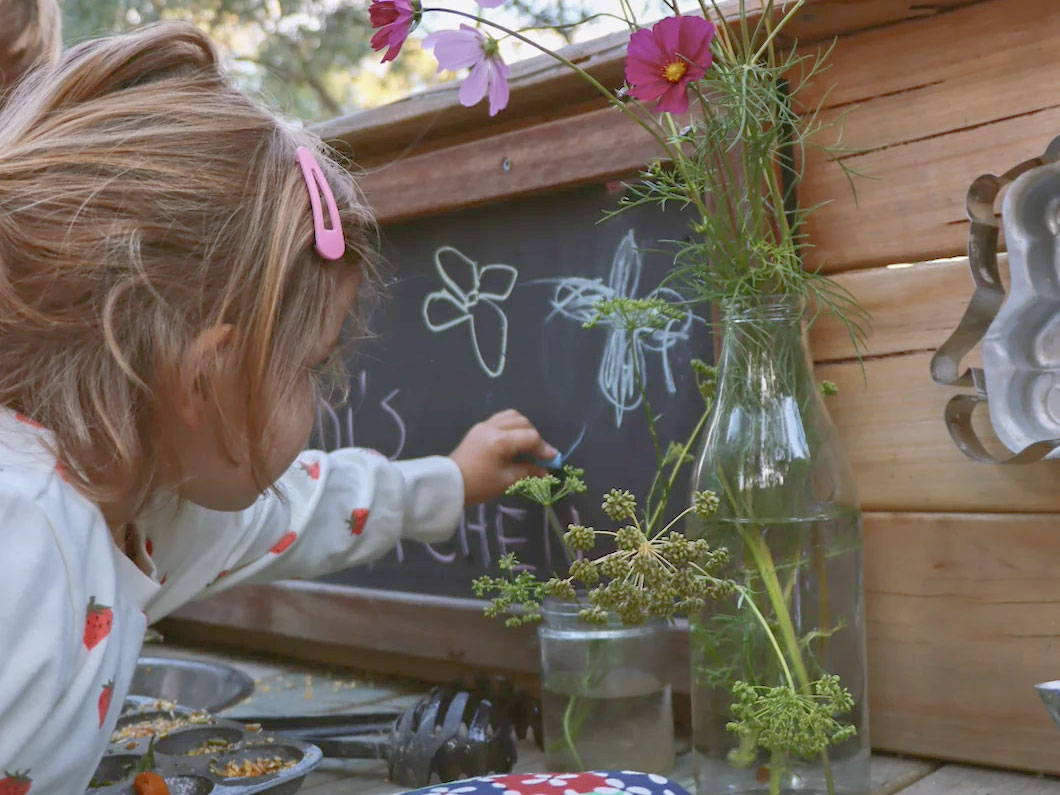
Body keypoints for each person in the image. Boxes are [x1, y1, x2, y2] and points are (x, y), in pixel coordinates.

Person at [0, 20, 560, 792]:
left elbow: (303, 506)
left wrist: (451, 481)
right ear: (208, 377)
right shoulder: (23, 536)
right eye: (309, 368)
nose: (321, 403)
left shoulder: (144, 508)